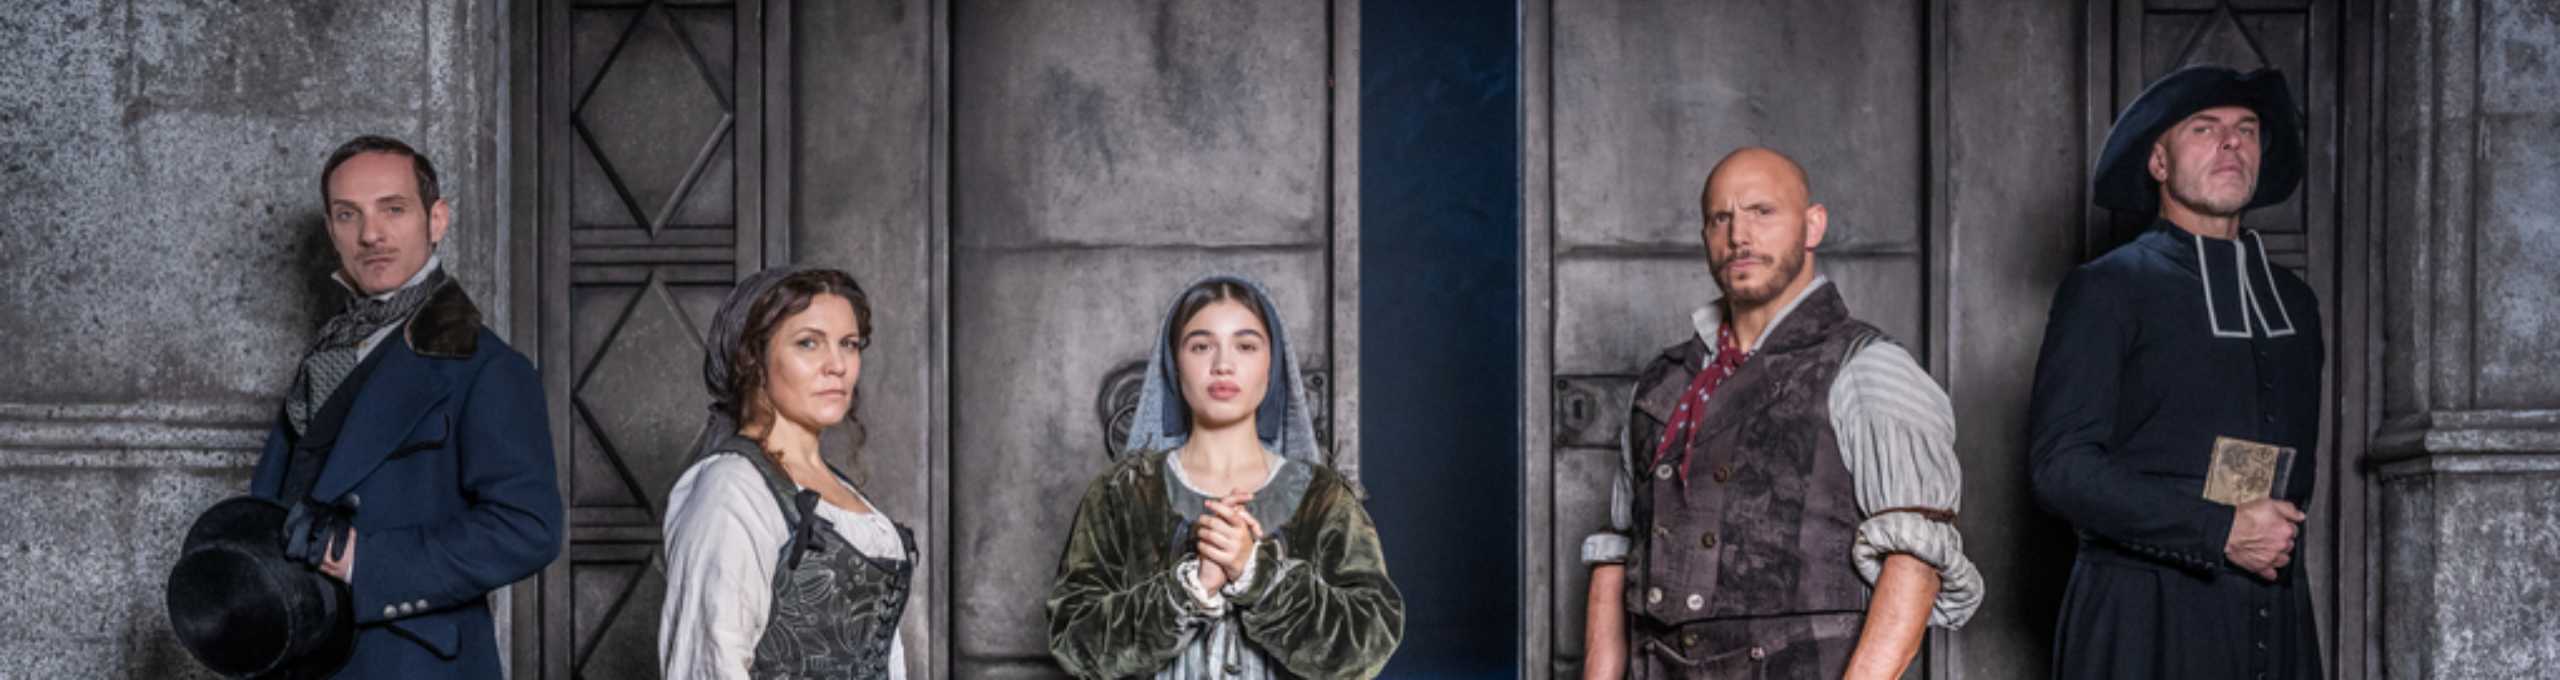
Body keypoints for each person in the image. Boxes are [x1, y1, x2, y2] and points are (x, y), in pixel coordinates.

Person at [1580, 147, 1983, 678]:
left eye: (1762, 212)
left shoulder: (1867, 368)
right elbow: (1618, 555)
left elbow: (1915, 564)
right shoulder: (1663, 381)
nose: (1739, 236)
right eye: (1720, 218)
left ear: (1813, 225)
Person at [2029, 64, 2323, 679]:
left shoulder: (2295, 302)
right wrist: (2220, 530)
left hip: (2269, 612)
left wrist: (2254, 535)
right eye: (2204, 128)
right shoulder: (2108, 287)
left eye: (2247, 130)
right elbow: (2062, 468)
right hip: (2144, 616)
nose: (2231, 142)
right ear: (2159, 163)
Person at [241, 134, 564, 677]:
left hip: (412, 663)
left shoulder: (488, 367)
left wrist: (364, 561)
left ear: (436, 220)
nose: (371, 234)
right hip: (301, 655)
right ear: (332, 231)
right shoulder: (328, 352)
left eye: (393, 209)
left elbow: (529, 528)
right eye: (349, 215)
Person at [1046, 275, 1404, 679]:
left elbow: (1369, 641)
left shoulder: (1322, 498)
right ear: (1174, 363)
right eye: (1201, 346)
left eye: (1246, 346)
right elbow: (1073, 639)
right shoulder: (1122, 495)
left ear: (1272, 364)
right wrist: (1190, 590)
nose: (1222, 365)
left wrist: (1256, 573)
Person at [659, 267, 918, 678]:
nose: (837, 365)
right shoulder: (733, 489)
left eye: (849, 344)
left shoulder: (844, 493)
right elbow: (710, 661)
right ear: (753, 357)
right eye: (809, 343)